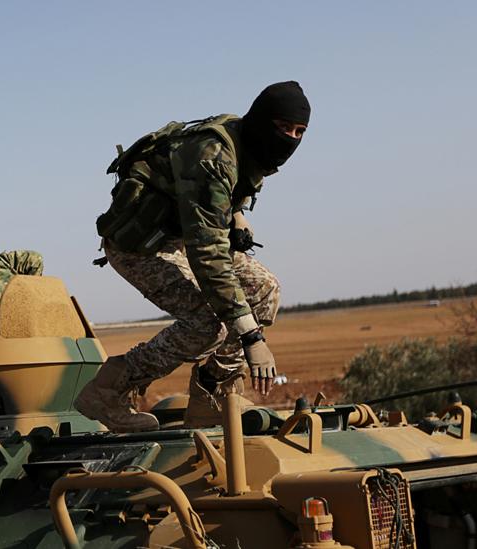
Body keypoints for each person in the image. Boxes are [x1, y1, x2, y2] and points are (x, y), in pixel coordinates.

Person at [75, 81, 310, 432]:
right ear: (261, 120)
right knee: (207, 324)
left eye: (298, 132)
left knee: (265, 291)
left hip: (182, 236)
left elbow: (223, 198)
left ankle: (210, 394)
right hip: (140, 245)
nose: (289, 138)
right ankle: (108, 389)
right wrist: (251, 337)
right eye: (282, 128)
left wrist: (237, 216)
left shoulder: (245, 140)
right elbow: (209, 258)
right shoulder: (215, 154)